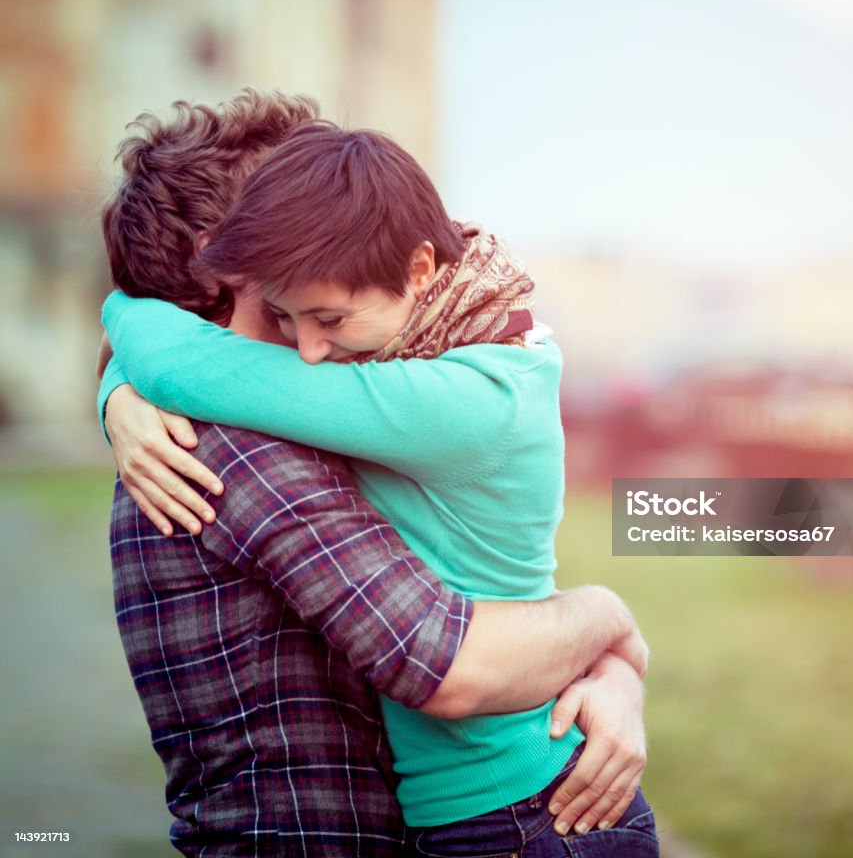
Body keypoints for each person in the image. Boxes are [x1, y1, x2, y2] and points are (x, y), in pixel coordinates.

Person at [98, 92, 651, 855]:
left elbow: (472, 583)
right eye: (287, 304)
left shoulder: (426, 393)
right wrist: (604, 619)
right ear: (220, 268)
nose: (309, 346)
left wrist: (117, 378)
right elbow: (449, 661)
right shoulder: (241, 451)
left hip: (525, 810)